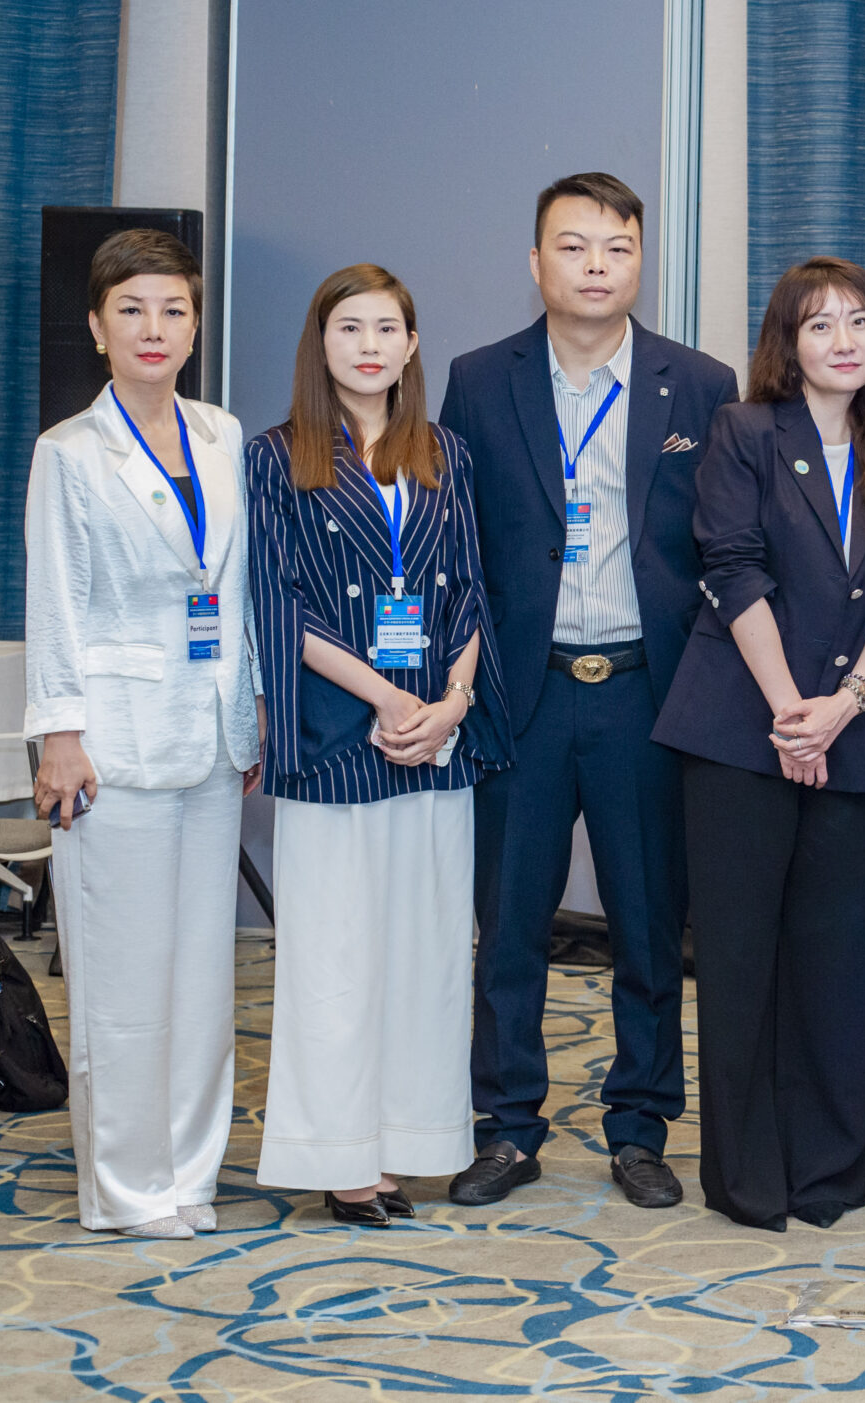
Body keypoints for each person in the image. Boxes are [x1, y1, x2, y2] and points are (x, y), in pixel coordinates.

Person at [438, 173, 739, 1211]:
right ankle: (506, 1127)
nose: (596, 266)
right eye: (572, 247)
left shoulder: (697, 384)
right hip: (521, 691)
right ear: (536, 264)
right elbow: (456, 544)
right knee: (508, 926)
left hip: (646, 695)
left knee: (649, 929)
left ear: (640, 261)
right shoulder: (481, 380)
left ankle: (640, 1127)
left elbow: (725, 546)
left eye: (616, 248)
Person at [652, 257, 865, 1231]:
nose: (844, 340)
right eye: (820, 325)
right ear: (788, 342)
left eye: (859, 321)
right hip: (741, 733)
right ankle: (749, 1175)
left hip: (846, 739)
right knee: (739, 957)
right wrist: (788, 712)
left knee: (836, 961)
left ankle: (828, 1170)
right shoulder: (744, 431)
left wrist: (843, 705)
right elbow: (732, 570)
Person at [247, 263, 510, 1225]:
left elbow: (473, 588)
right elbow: (280, 602)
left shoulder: (446, 452)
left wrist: (452, 701)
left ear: (411, 344)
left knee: (427, 951)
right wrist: (387, 696)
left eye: (386, 327)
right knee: (336, 956)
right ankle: (341, 1158)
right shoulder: (277, 456)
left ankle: (406, 1143)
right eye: (349, 327)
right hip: (340, 735)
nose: (368, 345)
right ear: (320, 344)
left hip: (435, 739)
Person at [23, 228, 262, 1239]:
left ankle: (189, 1172)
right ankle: (126, 1187)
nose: (153, 328)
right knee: (121, 982)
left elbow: (238, 588)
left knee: (202, 977)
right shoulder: (70, 452)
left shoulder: (223, 434)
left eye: (172, 309)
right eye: (132, 310)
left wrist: (249, 709)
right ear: (97, 327)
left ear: (196, 325)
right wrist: (59, 732)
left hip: (211, 735)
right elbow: (55, 599)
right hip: (110, 745)